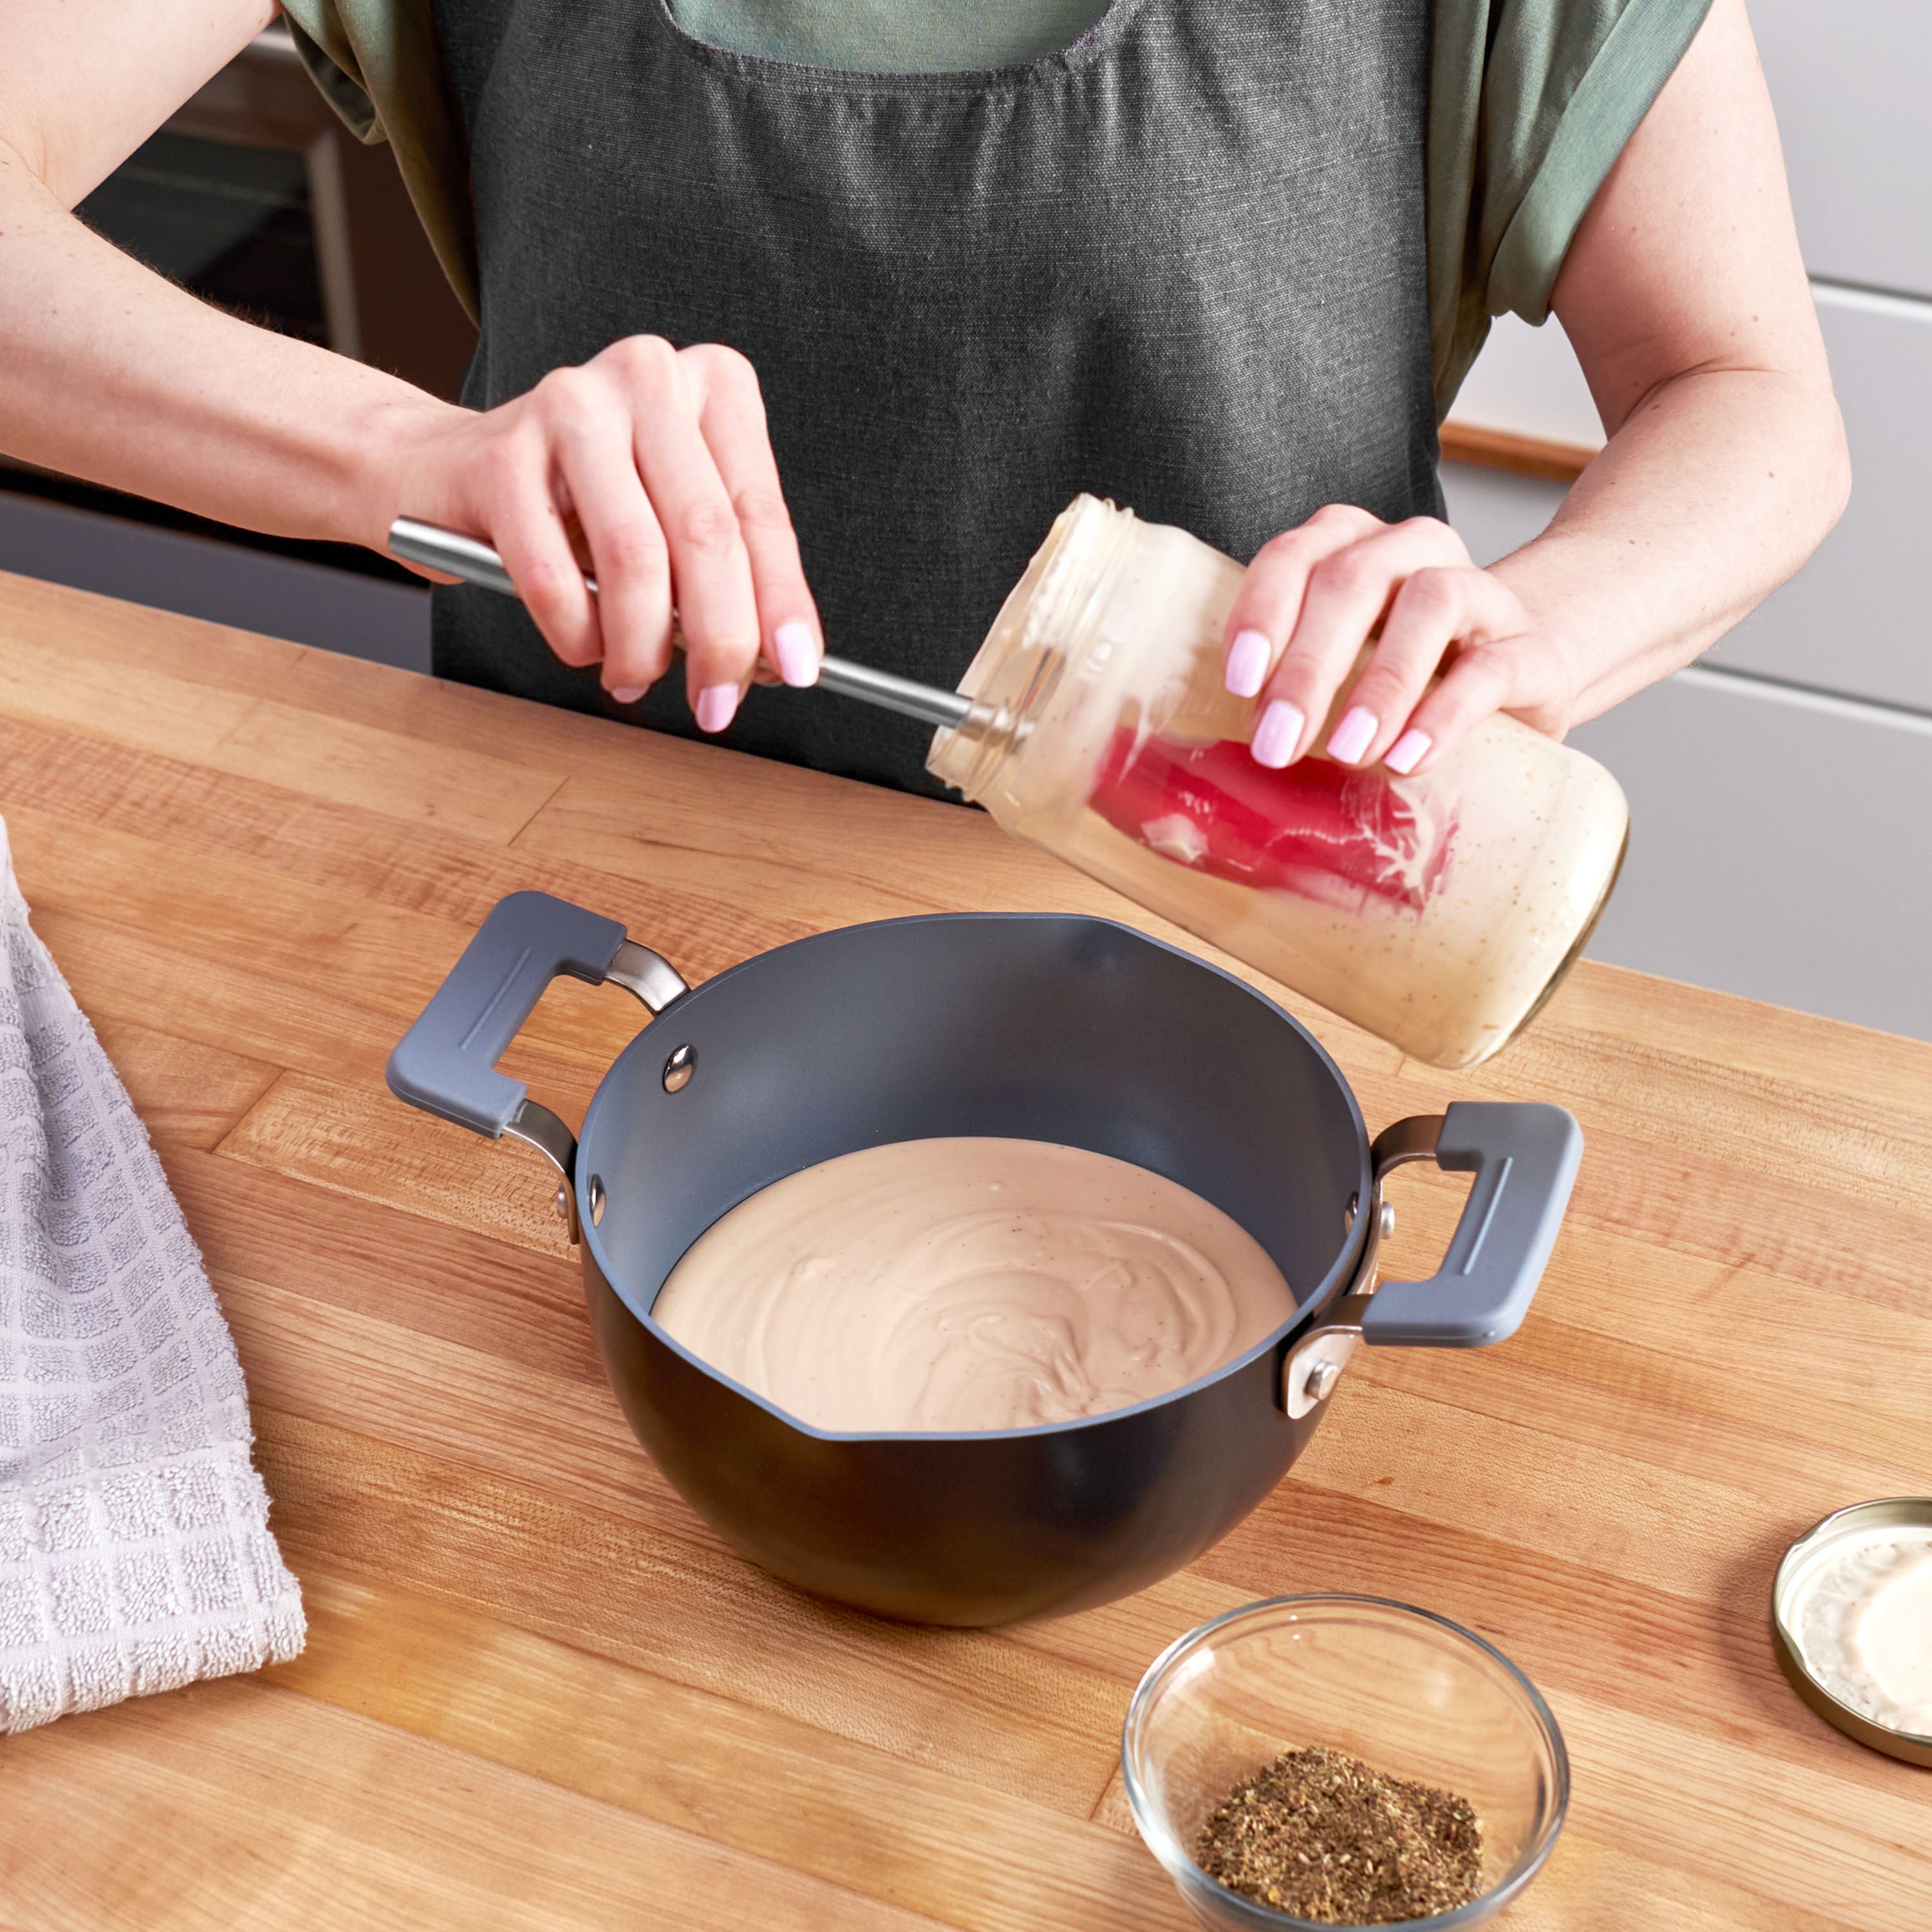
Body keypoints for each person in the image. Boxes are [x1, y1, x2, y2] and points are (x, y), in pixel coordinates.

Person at [0, 0, 1846, 804]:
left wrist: (1525, 630)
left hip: (1245, 971)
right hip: (577, 919)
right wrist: (415, 454)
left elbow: (1748, 395)